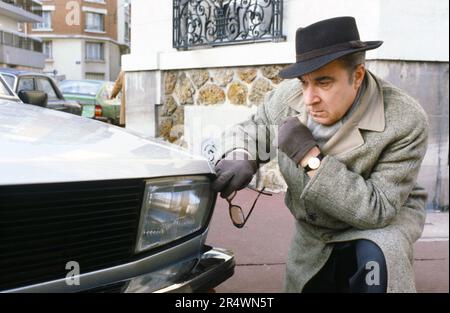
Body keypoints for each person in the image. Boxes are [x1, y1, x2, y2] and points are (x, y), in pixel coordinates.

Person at [212, 16, 429, 293]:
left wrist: (310, 158)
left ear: (357, 75)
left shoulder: (405, 119)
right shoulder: (290, 96)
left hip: (377, 226)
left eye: (324, 83)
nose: (309, 97)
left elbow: (379, 210)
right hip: (313, 231)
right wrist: (241, 153)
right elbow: (254, 128)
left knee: (378, 258)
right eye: (304, 82)